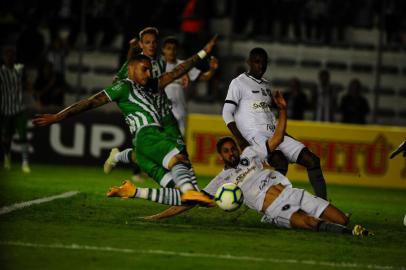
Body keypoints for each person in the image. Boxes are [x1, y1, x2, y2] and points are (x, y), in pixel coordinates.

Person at [107, 91, 371, 237]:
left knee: (341, 217)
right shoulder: (221, 183)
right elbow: (187, 202)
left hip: (295, 192)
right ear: (220, 156)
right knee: (312, 224)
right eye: (227, 150)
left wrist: (283, 110)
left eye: (233, 147)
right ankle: (353, 235)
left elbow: (277, 138)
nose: (232, 151)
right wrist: (156, 216)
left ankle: (351, 230)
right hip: (275, 207)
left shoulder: (252, 154)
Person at [33, 36, 219, 206]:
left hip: (142, 149)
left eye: (149, 70)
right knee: (180, 160)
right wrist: (58, 116)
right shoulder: (123, 86)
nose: (148, 74)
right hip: (148, 134)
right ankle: (189, 191)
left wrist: (204, 52)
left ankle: (133, 191)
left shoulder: (152, 84)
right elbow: (89, 102)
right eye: (144, 69)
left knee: (178, 194)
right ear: (131, 69)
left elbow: (179, 70)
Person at [222, 47, 327, 199]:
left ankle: (323, 205)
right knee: (280, 161)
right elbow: (226, 112)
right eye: (257, 62)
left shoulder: (266, 85)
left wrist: (287, 137)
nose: (261, 66)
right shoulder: (238, 83)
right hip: (256, 136)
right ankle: (270, 202)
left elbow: (268, 117)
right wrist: (240, 140)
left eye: (264, 63)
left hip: (274, 134)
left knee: (312, 160)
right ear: (249, 62)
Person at [161, 36, 218, 136]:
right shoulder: (158, 66)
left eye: (174, 48)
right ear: (163, 50)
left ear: (178, 50)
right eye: (168, 48)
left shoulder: (184, 66)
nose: (172, 51)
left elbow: (204, 77)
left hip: (181, 112)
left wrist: (212, 69)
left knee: (180, 144)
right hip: (163, 113)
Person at [0, 47, 31, 173]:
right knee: (6, 138)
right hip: (5, 111)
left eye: (12, 55)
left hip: (19, 109)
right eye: (8, 56)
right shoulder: (1, 72)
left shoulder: (20, 69)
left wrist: (34, 97)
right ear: (4, 57)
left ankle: (25, 162)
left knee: (23, 135)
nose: (10, 58)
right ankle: (7, 157)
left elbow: (27, 83)